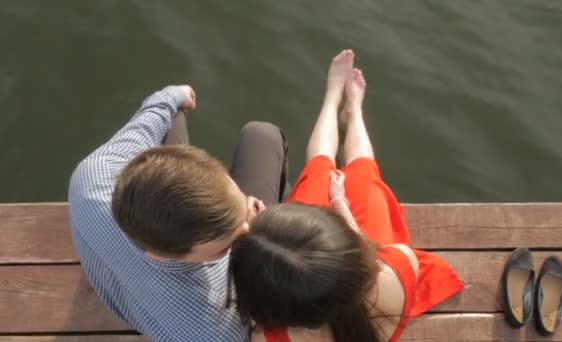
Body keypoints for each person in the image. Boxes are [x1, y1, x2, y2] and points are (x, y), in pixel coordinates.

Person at [229, 50, 465, 342]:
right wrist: (342, 205)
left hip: (331, 280)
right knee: (364, 175)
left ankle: (333, 98)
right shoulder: (398, 271)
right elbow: (372, 254)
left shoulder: (269, 337)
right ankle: (353, 110)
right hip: (371, 281)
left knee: (319, 169)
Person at [68, 85, 289, 341]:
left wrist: (175, 94)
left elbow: (151, 115)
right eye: (226, 245)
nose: (247, 226)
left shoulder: (93, 173)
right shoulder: (218, 325)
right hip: (170, 309)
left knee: (172, 114)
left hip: (122, 276)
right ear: (160, 256)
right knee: (263, 135)